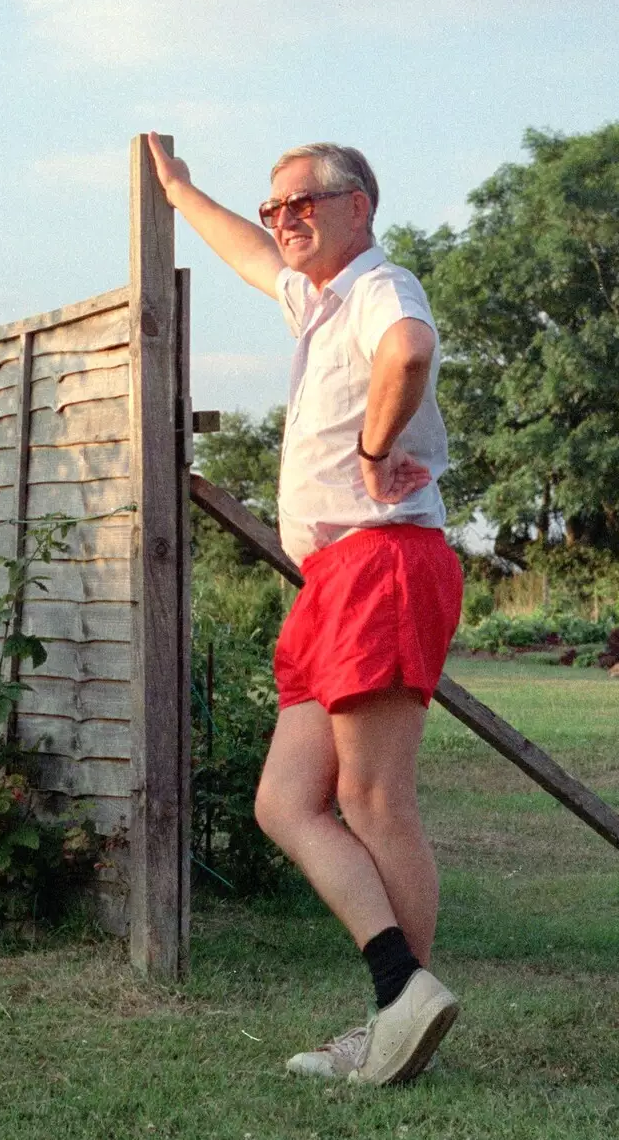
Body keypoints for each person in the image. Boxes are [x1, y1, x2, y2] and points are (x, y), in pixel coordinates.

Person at [146, 132, 463, 1085]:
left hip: (383, 561)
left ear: (357, 207)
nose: (282, 221)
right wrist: (178, 189)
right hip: (335, 578)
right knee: (286, 802)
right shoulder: (316, 304)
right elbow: (243, 248)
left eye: (301, 205)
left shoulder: (377, 287)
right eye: (275, 206)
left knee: (373, 798)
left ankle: (398, 1014)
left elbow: (409, 351)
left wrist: (373, 452)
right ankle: (403, 996)